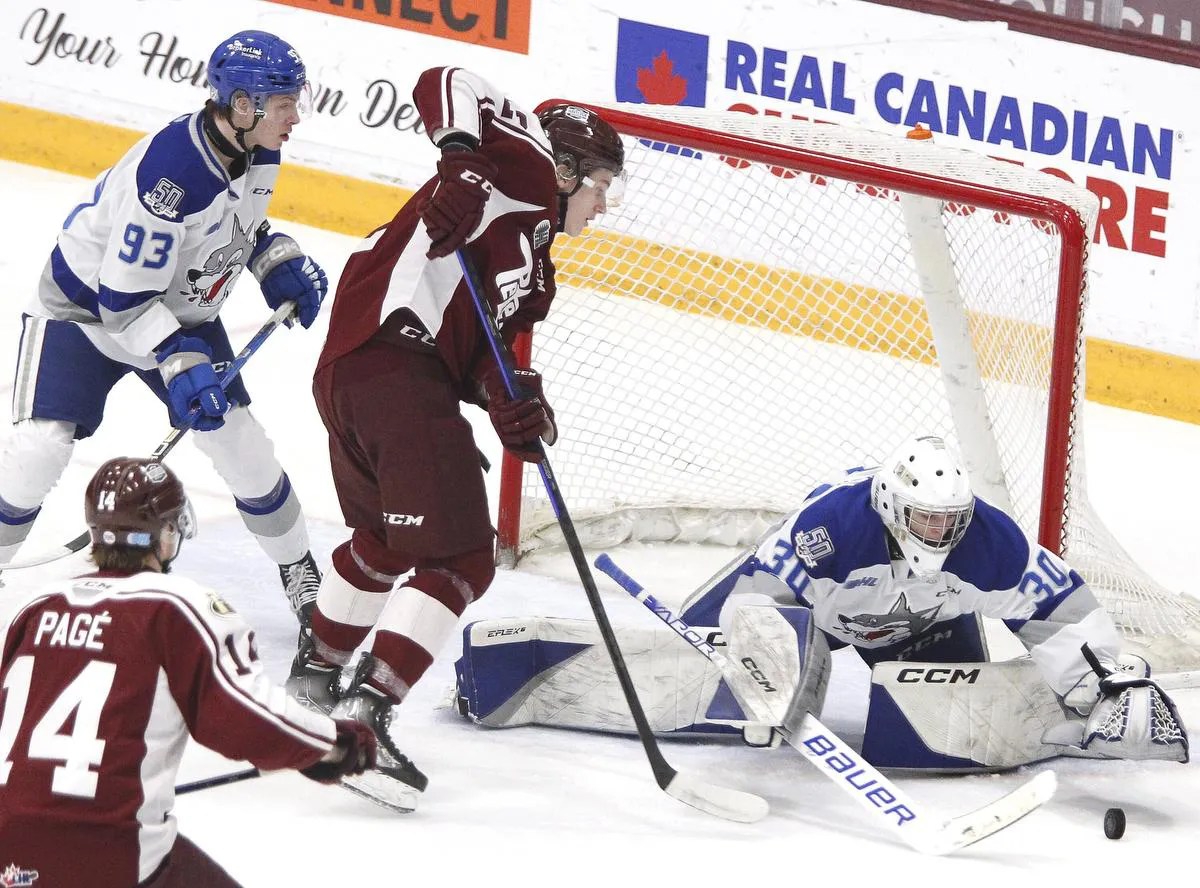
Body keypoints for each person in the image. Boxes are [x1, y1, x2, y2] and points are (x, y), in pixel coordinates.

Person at [285, 67, 625, 810]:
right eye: (602, 183)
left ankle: (316, 675)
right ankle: (364, 717)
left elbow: (483, 361)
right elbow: (447, 77)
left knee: (385, 540)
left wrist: (516, 405)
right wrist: (464, 158)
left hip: (369, 374)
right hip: (388, 360)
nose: (605, 204)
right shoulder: (526, 166)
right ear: (566, 168)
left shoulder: (536, 268)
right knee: (464, 555)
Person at [452, 435, 1189, 768]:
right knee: (725, 700)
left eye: (950, 520)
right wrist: (760, 663)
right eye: (927, 519)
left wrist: (1105, 682)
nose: (942, 531)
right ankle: (516, 666)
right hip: (811, 617)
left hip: (920, 631)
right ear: (895, 507)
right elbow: (758, 603)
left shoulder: (988, 541)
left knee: (929, 751)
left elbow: (1065, 612)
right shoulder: (830, 529)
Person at [0, 30, 328, 625]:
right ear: (242, 105)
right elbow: (122, 302)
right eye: (284, 104)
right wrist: (179, 361)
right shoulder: (170, 177)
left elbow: (234, 226)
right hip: (82, 312)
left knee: (241, 442)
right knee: (39, 448)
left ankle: (300, 568)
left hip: (177, 313)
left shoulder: (257, 148)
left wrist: (271, 259)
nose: (295, 117)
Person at [0, 457, 376, 888]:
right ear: (165, 533)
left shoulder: (36, 608)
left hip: (11, 851)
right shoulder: (175, 606)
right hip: (110, 851)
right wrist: (331, 743)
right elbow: (244, 719)